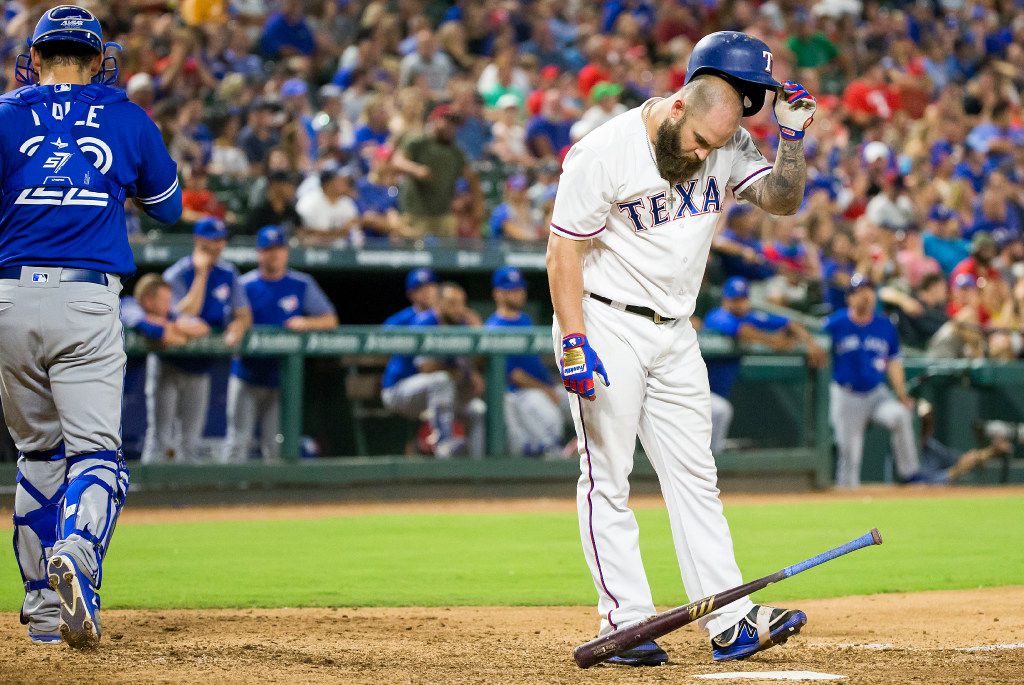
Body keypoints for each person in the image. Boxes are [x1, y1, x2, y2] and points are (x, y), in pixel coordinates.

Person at [546, 32, 814, 665]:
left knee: (696, 477)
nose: (703, 155)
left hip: (675, 331)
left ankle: (730, 620)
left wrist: (793, 140)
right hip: (604, 320)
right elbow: (563, 250)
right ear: (675, 106)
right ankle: (626, 623)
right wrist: (574, 339)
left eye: (715, 146)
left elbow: (781, 199)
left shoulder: (725, 144)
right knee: (607, 476)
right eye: (698, 140)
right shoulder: (605, 151)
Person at [0, 6, 181, 648]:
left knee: (37, 456)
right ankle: (77, 550)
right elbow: (168, 207)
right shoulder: (126, 116)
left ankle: (44, 615)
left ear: (39, 56)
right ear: (97, 56)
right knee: (96, 453)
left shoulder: (4, 114)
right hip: (85, 300)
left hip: (9, 301)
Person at [222, 226, 338, 464]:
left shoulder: (301, 283)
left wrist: (306, 322)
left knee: (274, 446)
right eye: (268, 250)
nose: (273, 254)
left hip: (282, 379)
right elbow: (228, 323)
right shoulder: (244, 285)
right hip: (246, 375)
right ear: (259, 253)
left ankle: (272, 499)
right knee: (237, 442)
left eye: (278, 249)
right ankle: (226, 498)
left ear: (286, 252)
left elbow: (330, 319)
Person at [142, 218, 251, 465]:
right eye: (212, 240)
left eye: (221, 240)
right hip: (168, 363)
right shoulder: (178, 273)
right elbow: (182, 314)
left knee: (190, 441)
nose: (218, 246)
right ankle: (149, 496)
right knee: (160, 438)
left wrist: (237, 325)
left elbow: (243, 313)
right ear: (198, 241)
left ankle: (185, 499)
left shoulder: (228, 273)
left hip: (200, 368)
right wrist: (201, 275)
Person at [703, 277, 826, 454]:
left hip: (715, 392)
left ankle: (713, 462)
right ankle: (712, 462)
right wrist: (775, 342)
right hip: (697, 390)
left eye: (742, 299)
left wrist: (810, 343)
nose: (738, 304)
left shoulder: (749, 317)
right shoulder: (716, 316)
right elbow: (743, 332)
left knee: (718, 417)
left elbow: (788, 322)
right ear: (725, 300)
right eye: (734, 299)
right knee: (722, 411)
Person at [825, 274, 921, 488]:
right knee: (849, 456)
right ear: (849, 297)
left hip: (876, 394)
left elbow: (894, 363)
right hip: (846, 395)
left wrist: (902, 394)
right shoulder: (836, 323)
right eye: (859, 291)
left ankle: (910, 475)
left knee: (900, 416)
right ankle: (847, 497)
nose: (866, 295)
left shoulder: (884, 325)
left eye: (869, 290)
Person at [380, 281, 485, 458]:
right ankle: (443, 447)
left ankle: (479, 467)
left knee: (477, 410)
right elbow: (426, 367)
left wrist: (478, 331)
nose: (459, 309)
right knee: (441, 380)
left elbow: (473, 360)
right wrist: (457, 373)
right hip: (399, 391)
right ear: (439, 303)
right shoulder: (424, 322)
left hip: (435, 394)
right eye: (452, 303)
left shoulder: (459, 324)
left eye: (462, 304)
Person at [485, 266, 564, 457]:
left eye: (520, 288)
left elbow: (534, 363)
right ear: (498, 294)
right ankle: (554, 456)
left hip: (543, 387)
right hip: (520, 393)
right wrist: (545, 389)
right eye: (512, 290)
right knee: (551, 419)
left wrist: (554, 383)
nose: (519, 294)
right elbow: (513, 375)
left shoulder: (525, 319)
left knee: (586, 402)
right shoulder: (494, 327)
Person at [392, 104, 477, 238]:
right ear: (434, 120)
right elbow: (397, 161)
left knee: (445, 255)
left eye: (454, 124)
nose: (451, 127)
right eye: (447, 122)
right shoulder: (419, 141)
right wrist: (416, 169)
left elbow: (471, 177)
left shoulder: (456, 151)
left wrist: (475, 205)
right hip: (416, 212)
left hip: (443, 213)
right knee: (415, 254)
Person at [120, 274, 210, 348]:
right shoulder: (127, 306)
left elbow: (203, 328)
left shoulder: (168, 313)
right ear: (148, 301)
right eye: (164, 301)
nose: (168, 305)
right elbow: (156, 330)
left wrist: (176, 326)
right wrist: (178, 331)